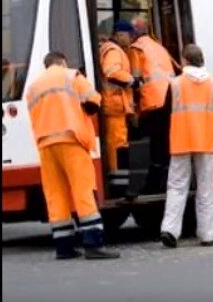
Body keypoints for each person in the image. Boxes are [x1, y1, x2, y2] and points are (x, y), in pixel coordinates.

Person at [25, 51, 120, 260]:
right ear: (62, 62)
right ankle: (93, 243)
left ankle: (64, 246)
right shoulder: (71, 76)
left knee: (56, 194)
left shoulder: (33, 88)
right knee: (83, 191)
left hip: (46, 145)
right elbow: (94, 102)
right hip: (71, 140)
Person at [160, 44, 213, 248]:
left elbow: (166, 115)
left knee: (177, 187)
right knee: (206, 188)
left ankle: (170, 230)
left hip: (180, 140)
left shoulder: (175, 84)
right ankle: (207, 234)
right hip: (206, 141)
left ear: (184, 60)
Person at [128, 16, 178, 193]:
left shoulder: (136, 49)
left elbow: (134, 80)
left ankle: (154, 185)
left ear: (134, 33)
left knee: (154, 146)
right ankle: (165, 182)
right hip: (169, 99)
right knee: (165, 144)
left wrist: (133, 108)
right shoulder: (159, 47)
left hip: (152, 101)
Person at [99, 20, 139, 172]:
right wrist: (133, 81)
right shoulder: (114, 51)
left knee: (115, 143)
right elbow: (112, 72)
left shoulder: (109, 49)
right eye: (130, 35)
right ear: (121, 35)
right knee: (118, 143)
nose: (131, 39)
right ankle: (118, 177)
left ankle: (117, 174)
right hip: (115, 105)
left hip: (113, 105)